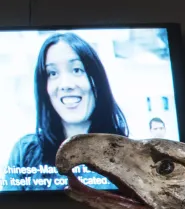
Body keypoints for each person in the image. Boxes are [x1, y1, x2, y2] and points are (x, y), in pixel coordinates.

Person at [6, 32, 129, 190]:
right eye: (53, 73)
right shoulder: (26, 151)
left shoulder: (129, 154)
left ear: (97, 81)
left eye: (77, 70)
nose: (65, 85)